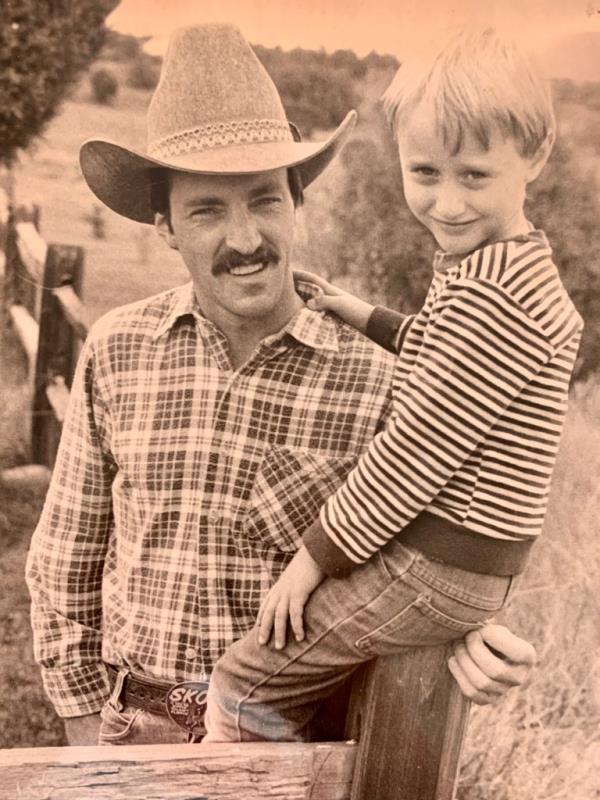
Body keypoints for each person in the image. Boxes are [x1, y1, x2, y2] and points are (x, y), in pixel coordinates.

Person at [26, 24, 537, 748]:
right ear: (165, 226)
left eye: (265, 199)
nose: (244, 239)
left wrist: (475, 647)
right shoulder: (117, 352)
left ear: (297, 202)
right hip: (135, 732)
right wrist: (87, 738)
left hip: (294, 746)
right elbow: (63, 568)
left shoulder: (381, 376)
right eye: (207, 210)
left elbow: (426, 571)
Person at [202, 28, 582, 743]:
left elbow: (414, 451)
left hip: (440, 559)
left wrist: (311, 561)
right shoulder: (506, 270)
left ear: (534, 155)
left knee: (245, 681)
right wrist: (364, 314)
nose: (446, 202)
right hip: (462, 556)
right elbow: (446, 358)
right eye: (425, 172)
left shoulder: (495, 296)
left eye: (473, 175)